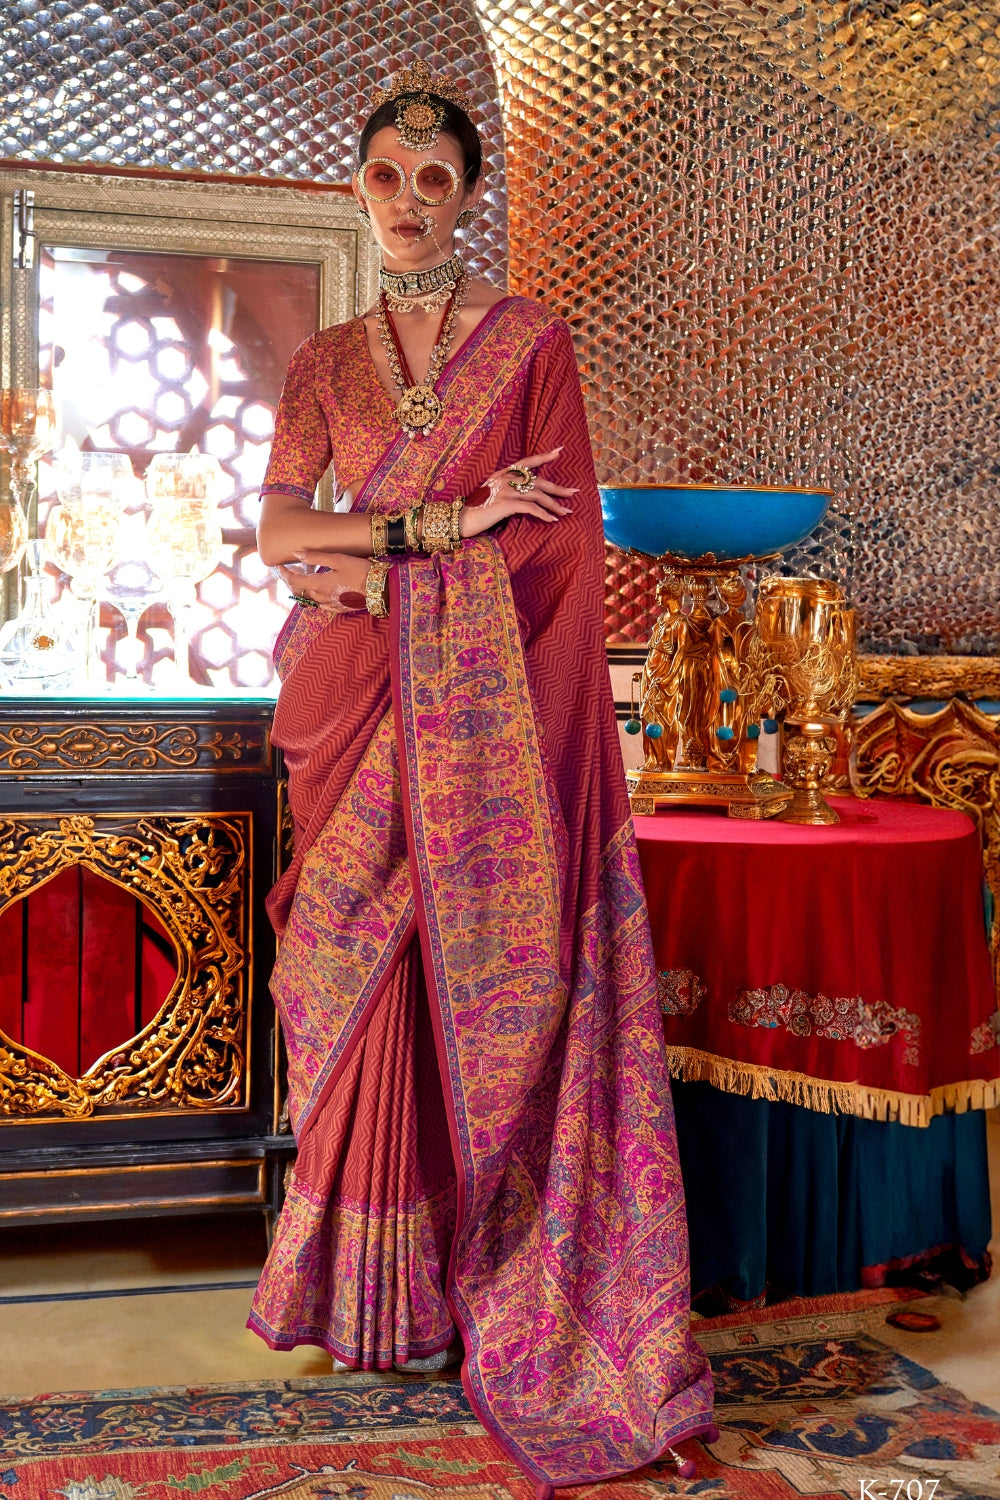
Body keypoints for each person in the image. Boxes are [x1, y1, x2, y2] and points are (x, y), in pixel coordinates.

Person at [249, 58, 714, 1493]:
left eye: (433, 179)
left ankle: (465, 1285)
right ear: (357, 187)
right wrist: (433, 529)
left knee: (442, 971)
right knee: (359, 978)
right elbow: (278, 538)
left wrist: (384, 550)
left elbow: (558, 553)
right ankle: (358, 1292)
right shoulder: (323, 362)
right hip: (344, 693)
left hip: (470, 718)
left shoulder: (530, 344)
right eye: (385, 176)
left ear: (467, 197)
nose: (405, 201)